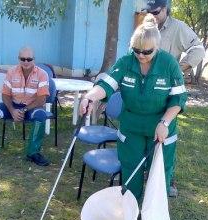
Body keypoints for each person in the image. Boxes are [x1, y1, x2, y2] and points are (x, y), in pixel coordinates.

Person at [79, 14, 187, 203]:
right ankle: (131, 214)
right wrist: (90, 96)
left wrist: (165, 122)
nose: (141, 55)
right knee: (130, 171)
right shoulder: (126, 62)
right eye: (137, 50)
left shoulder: (169, 64)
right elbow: (106, 85)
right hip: (132, 128)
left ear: (157, 47)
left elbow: (178, 99)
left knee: (160, 174)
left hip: (160, 128)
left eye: (147, 52)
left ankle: (153, 219)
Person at [145, 0, 205, 197]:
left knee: (166, 135)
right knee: (148, 131)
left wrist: (181, 68)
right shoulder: (147, 26)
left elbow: (198, 49)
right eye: (149, 11)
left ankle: (168, 178)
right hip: (147, 89)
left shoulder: (178, 27)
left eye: (156, 11)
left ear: (166, 9)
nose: (152, 15)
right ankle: (147, 172)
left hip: (168, 89)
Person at [0, 47, 51, 166]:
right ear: (19, 59)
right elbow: (5, 95)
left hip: (31, 107)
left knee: (41, 115)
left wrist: (23, 109)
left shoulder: (42, 74)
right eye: (23, 59)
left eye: (29, 59)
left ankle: (33, 153)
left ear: (34, 59)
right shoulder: (11, 72)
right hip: (12, 105)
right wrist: (12, 110)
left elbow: (42, 99)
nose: (26, 62)